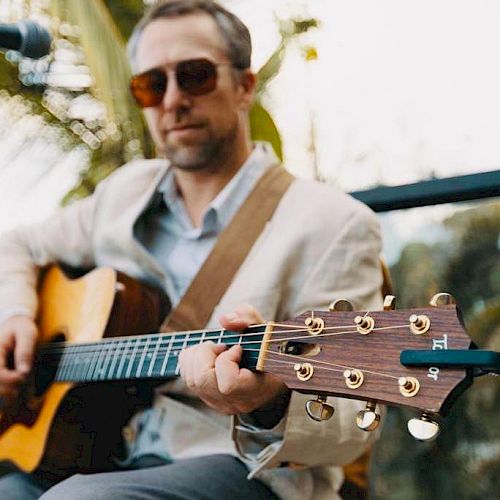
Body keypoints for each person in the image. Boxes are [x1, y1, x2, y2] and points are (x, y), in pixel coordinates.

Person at [0, 1, 384, 499]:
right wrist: (15, 314)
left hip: (240, 467)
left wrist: (266, 404)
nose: (172, 100)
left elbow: (352, 421)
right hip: (100, 451)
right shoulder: (124, 191)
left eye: (195, 76)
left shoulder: (333, 223)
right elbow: (18, 244)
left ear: (244, 86)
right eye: (151, 85)